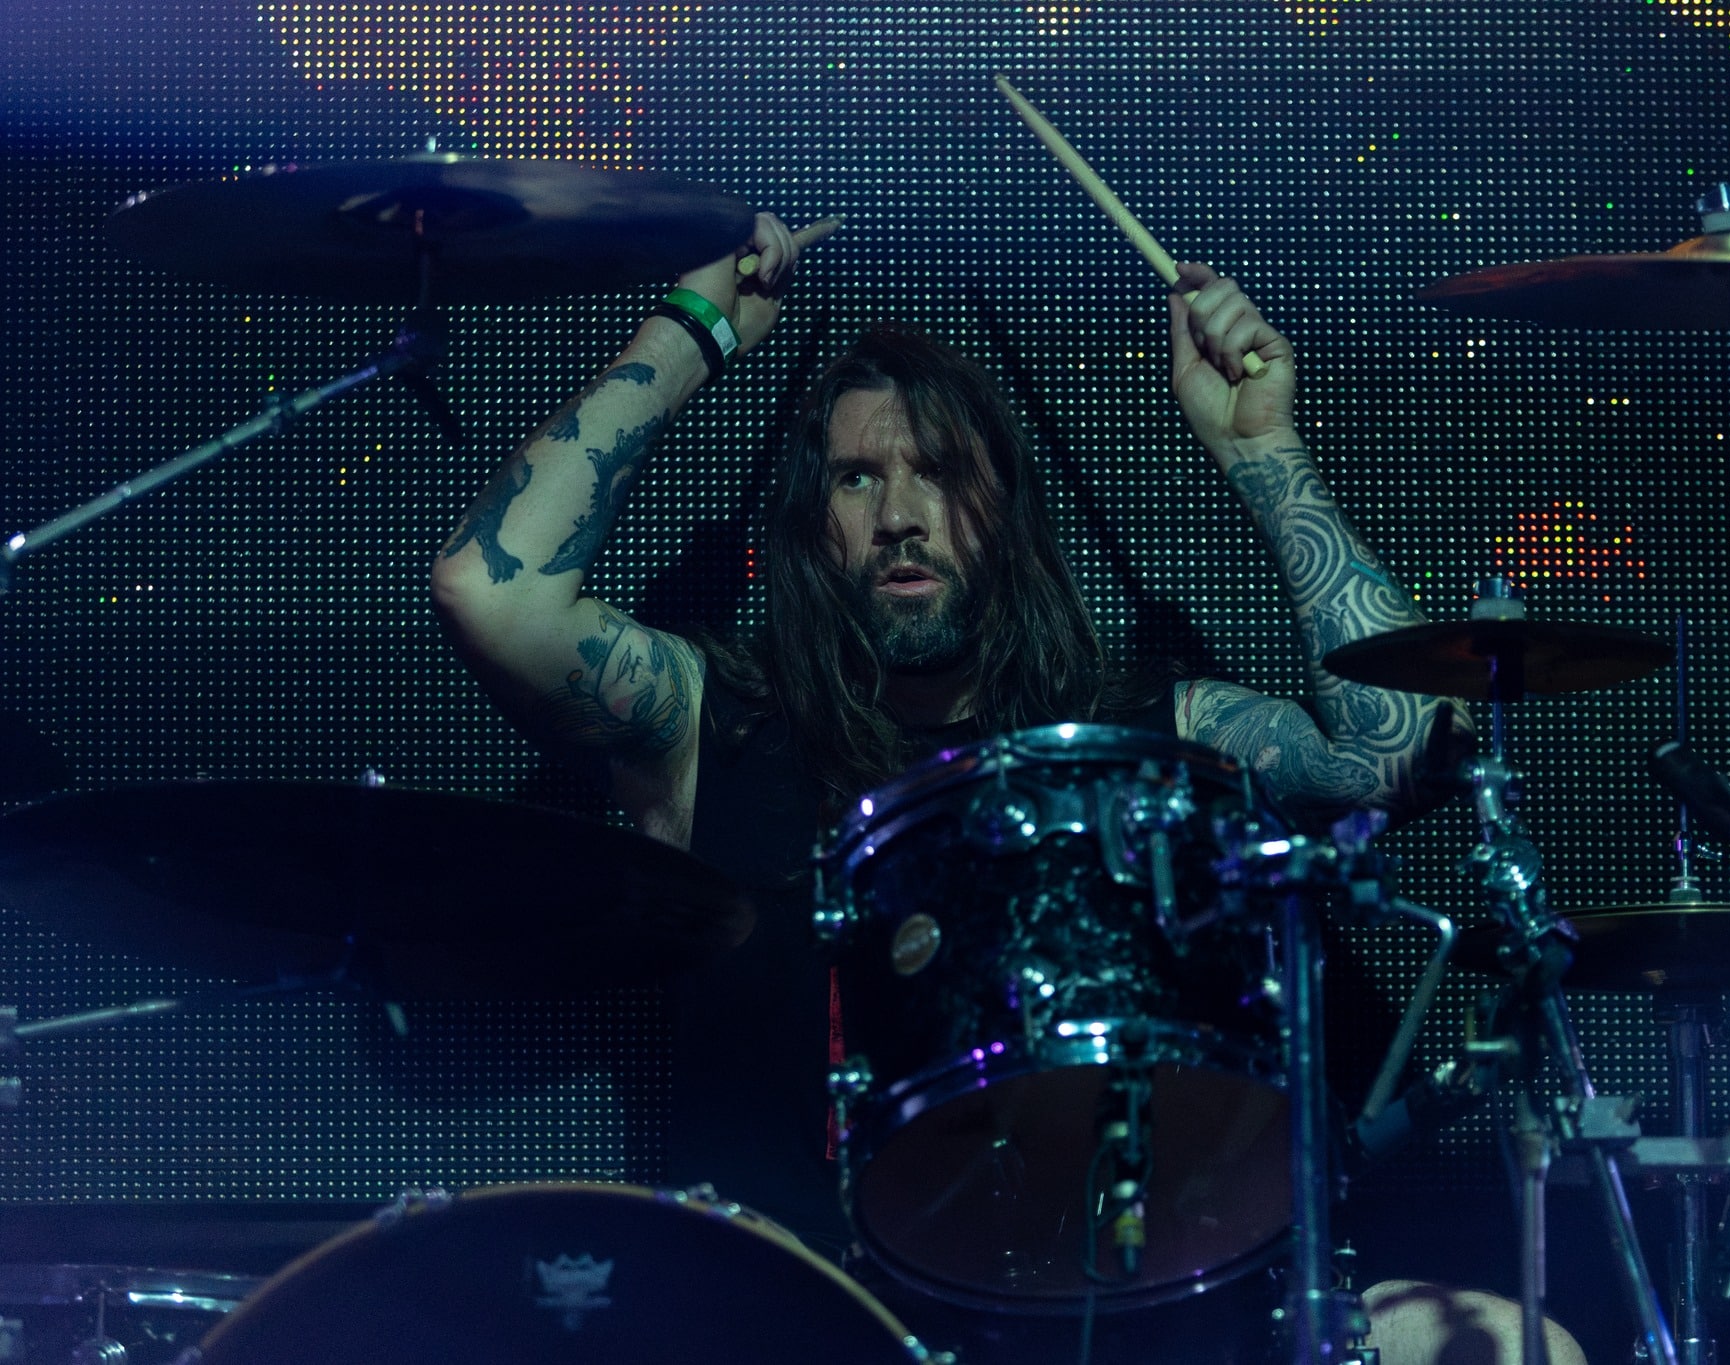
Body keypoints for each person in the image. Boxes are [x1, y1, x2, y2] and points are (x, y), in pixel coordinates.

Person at [429, 213, 1586, 1365]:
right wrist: (688, 333)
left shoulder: (1147, 728)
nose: (898, 517)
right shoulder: (711, 725)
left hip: (1117, 1318)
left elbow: (1391, 752)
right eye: (855, 479)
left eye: (938, 473)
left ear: (1003, 508)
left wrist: (1259, 446)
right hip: (803, 1328)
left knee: (1512, 1347)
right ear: (815, 523)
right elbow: (492, 592)